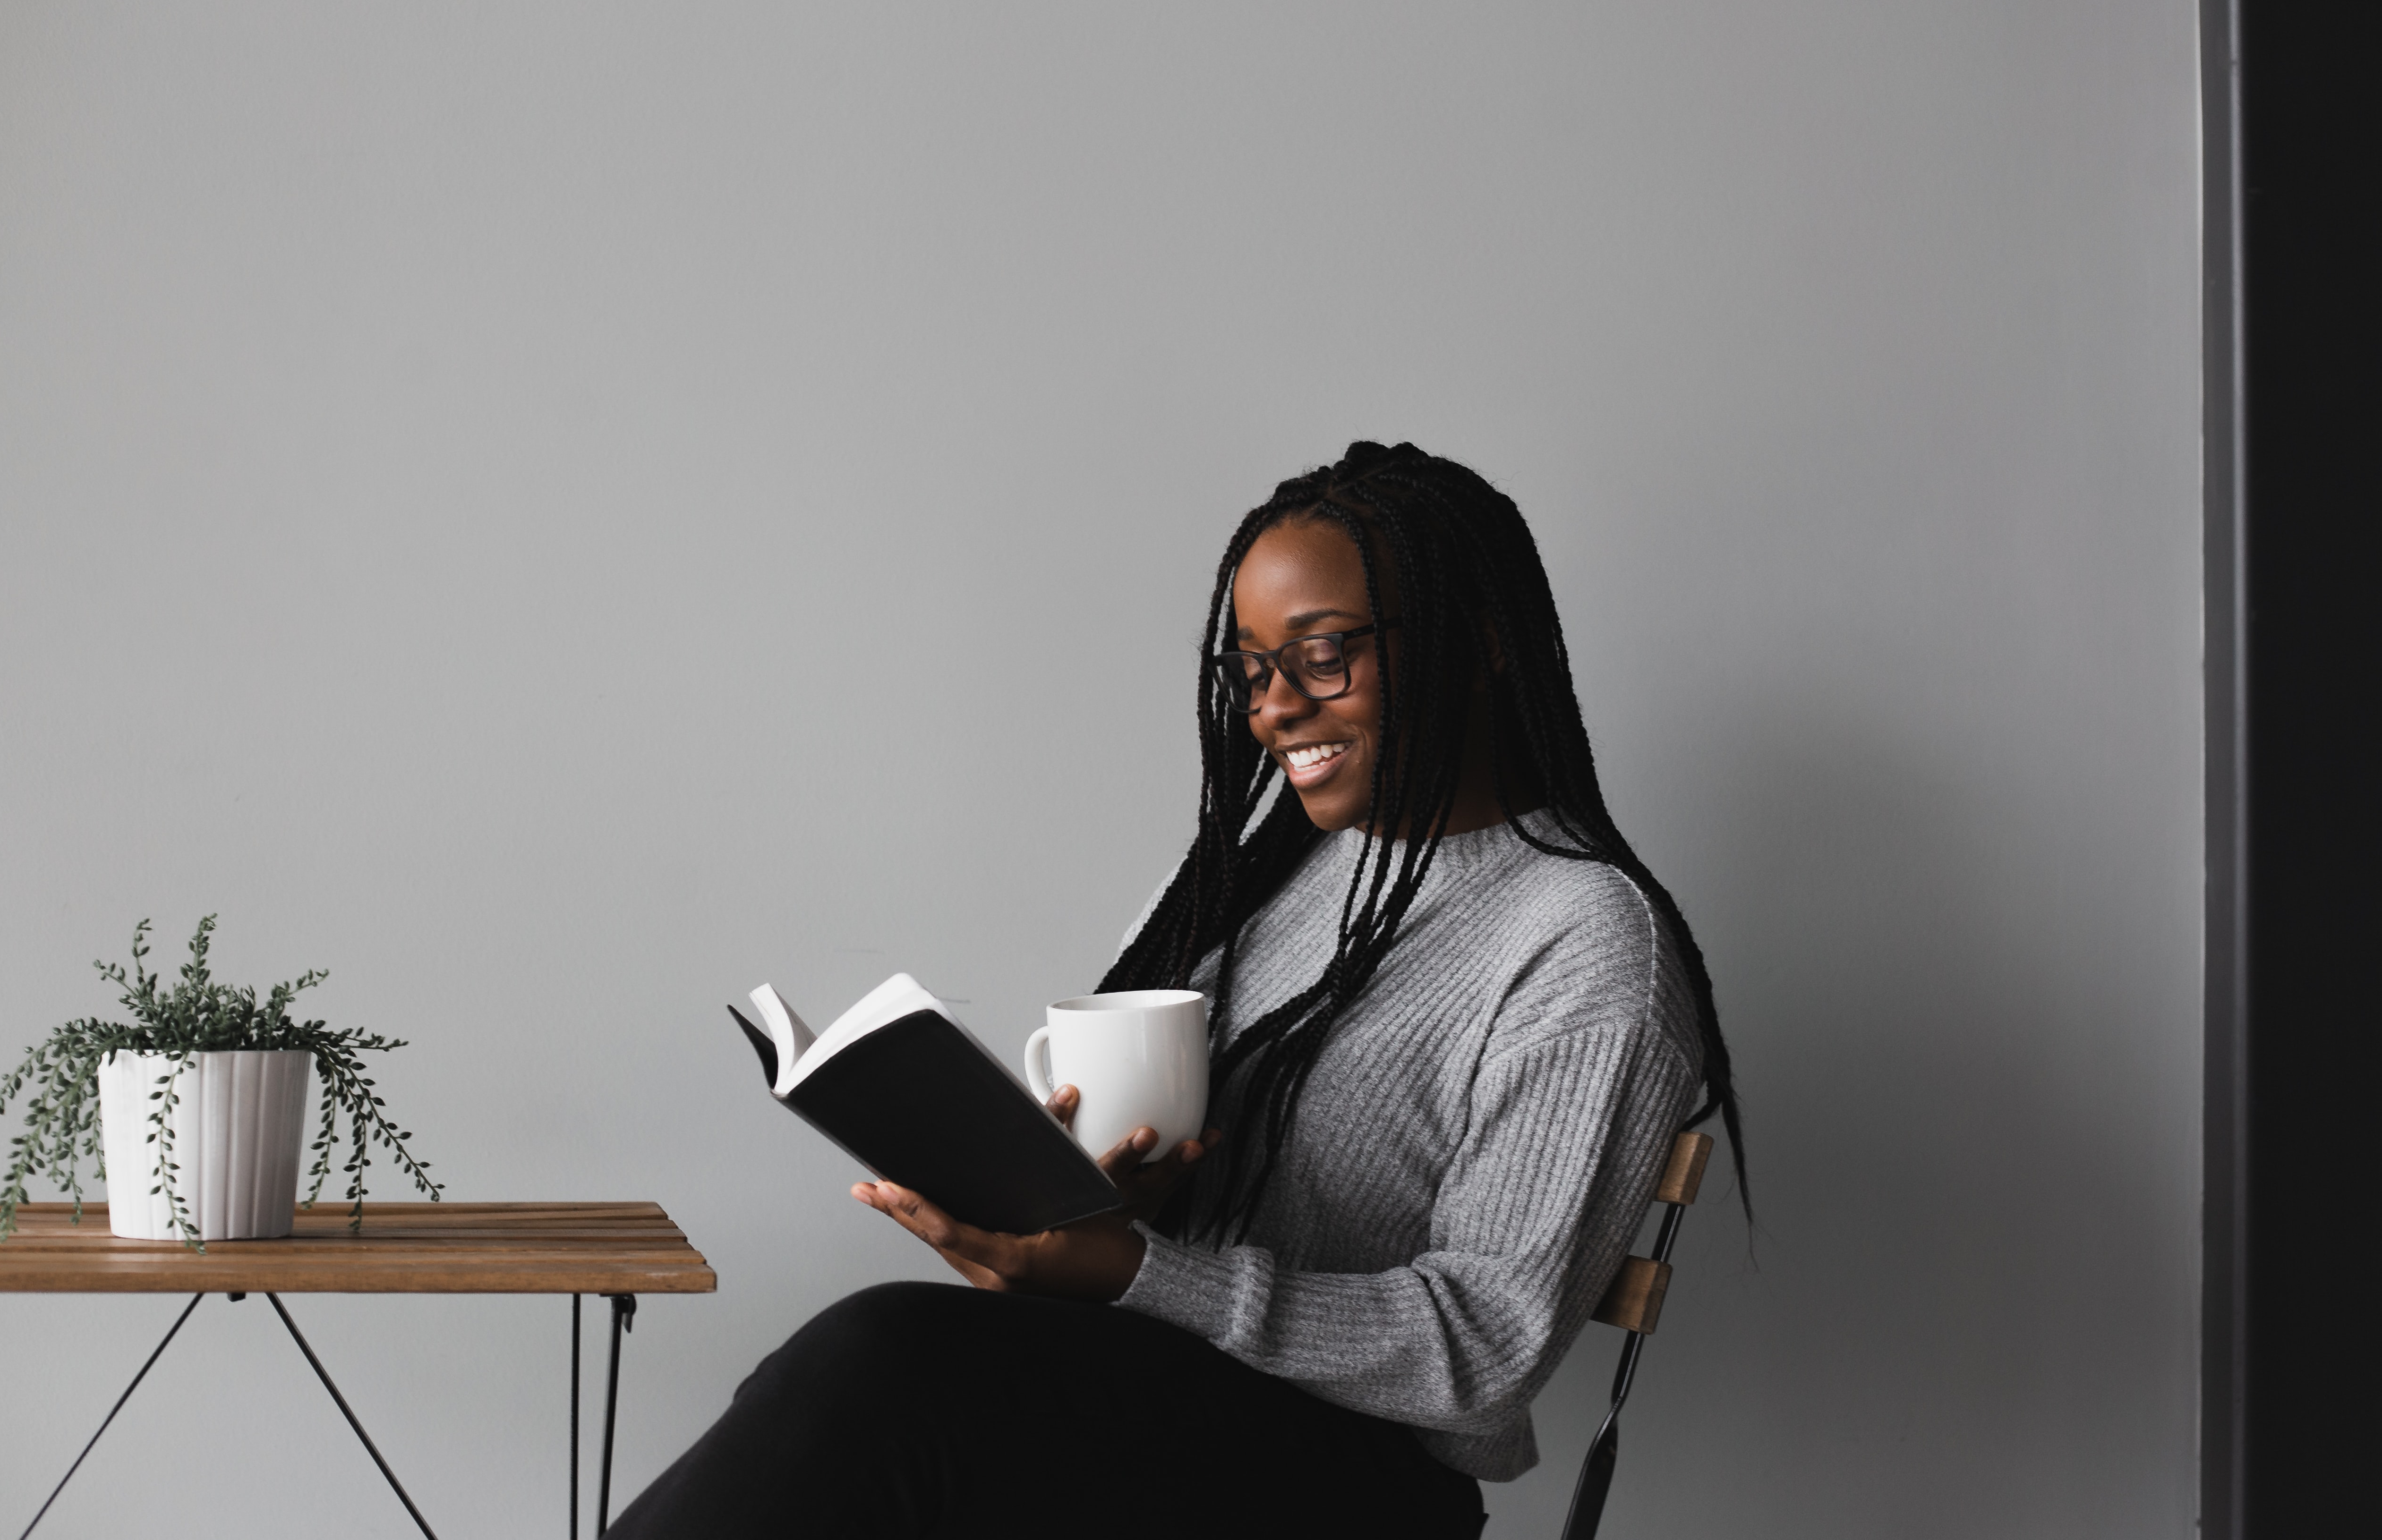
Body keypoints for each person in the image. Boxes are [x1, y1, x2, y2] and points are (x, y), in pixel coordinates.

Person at [606, 442, 1746, 1539]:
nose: (1272, 706)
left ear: (1481, 640)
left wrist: (1146, 1273)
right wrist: (1081, 1217)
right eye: (1250, 669)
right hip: (1167, 1408)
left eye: (1320, 652)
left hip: (1356, 1484)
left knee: (882, 1368)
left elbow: (1484, 1347)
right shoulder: (1254, 878)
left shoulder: (1585, 941)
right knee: (837, 1404)